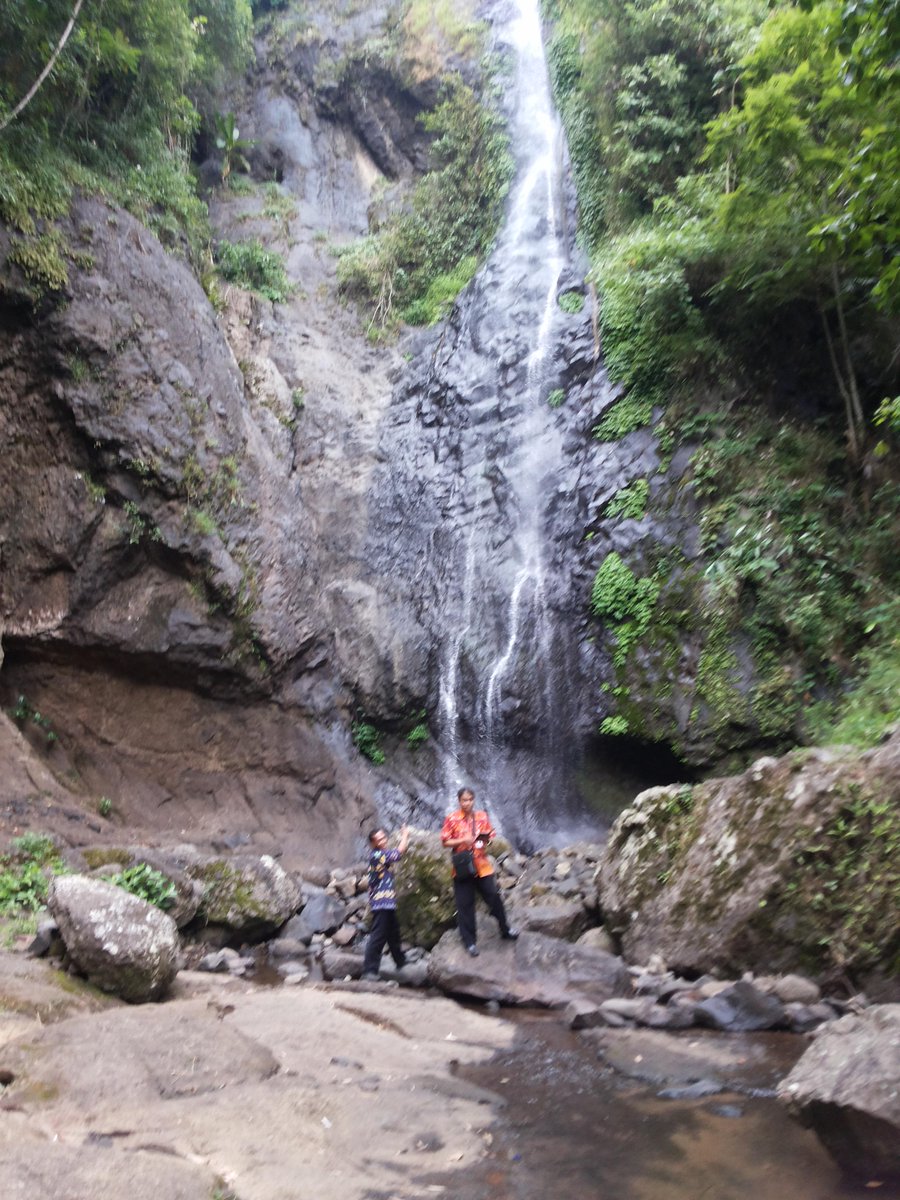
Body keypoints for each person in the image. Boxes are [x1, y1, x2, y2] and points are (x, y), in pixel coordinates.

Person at [440, 787, 518, 957]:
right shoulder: (452, 818)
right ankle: (470, 942)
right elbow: (445, 841)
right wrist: (463, 840)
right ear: (459, 801)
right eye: (464, 800)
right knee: (465, 905)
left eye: (470, 800)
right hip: (463, 868)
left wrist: (484, 841)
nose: (467, 803)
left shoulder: (482, 816)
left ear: (473, 800)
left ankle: (505, 928)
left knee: (494, 896)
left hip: (482, 865)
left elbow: (490, 835)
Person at [361, 823, 409, 980]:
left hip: (387, 900)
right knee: (378, 935)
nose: (383, 840)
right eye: (379, 839)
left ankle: (400, 960)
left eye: (383, 837)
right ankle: (369, 970)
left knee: (393, 932)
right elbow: (398, 853)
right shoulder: (377, 855)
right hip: (381, 901)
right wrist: (405, 835)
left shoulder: (381, 854)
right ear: (373, 843)